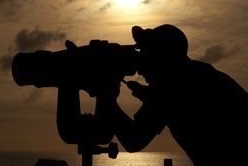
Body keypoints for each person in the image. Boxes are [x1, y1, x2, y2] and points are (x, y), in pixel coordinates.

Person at [57, 24, 248, 166]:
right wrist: (147, 96)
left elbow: (133, 140)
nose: (140, 68)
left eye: (146, 54)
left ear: (162, 58)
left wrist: (105, 95)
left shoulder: (170, 88)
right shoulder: (199, 74)